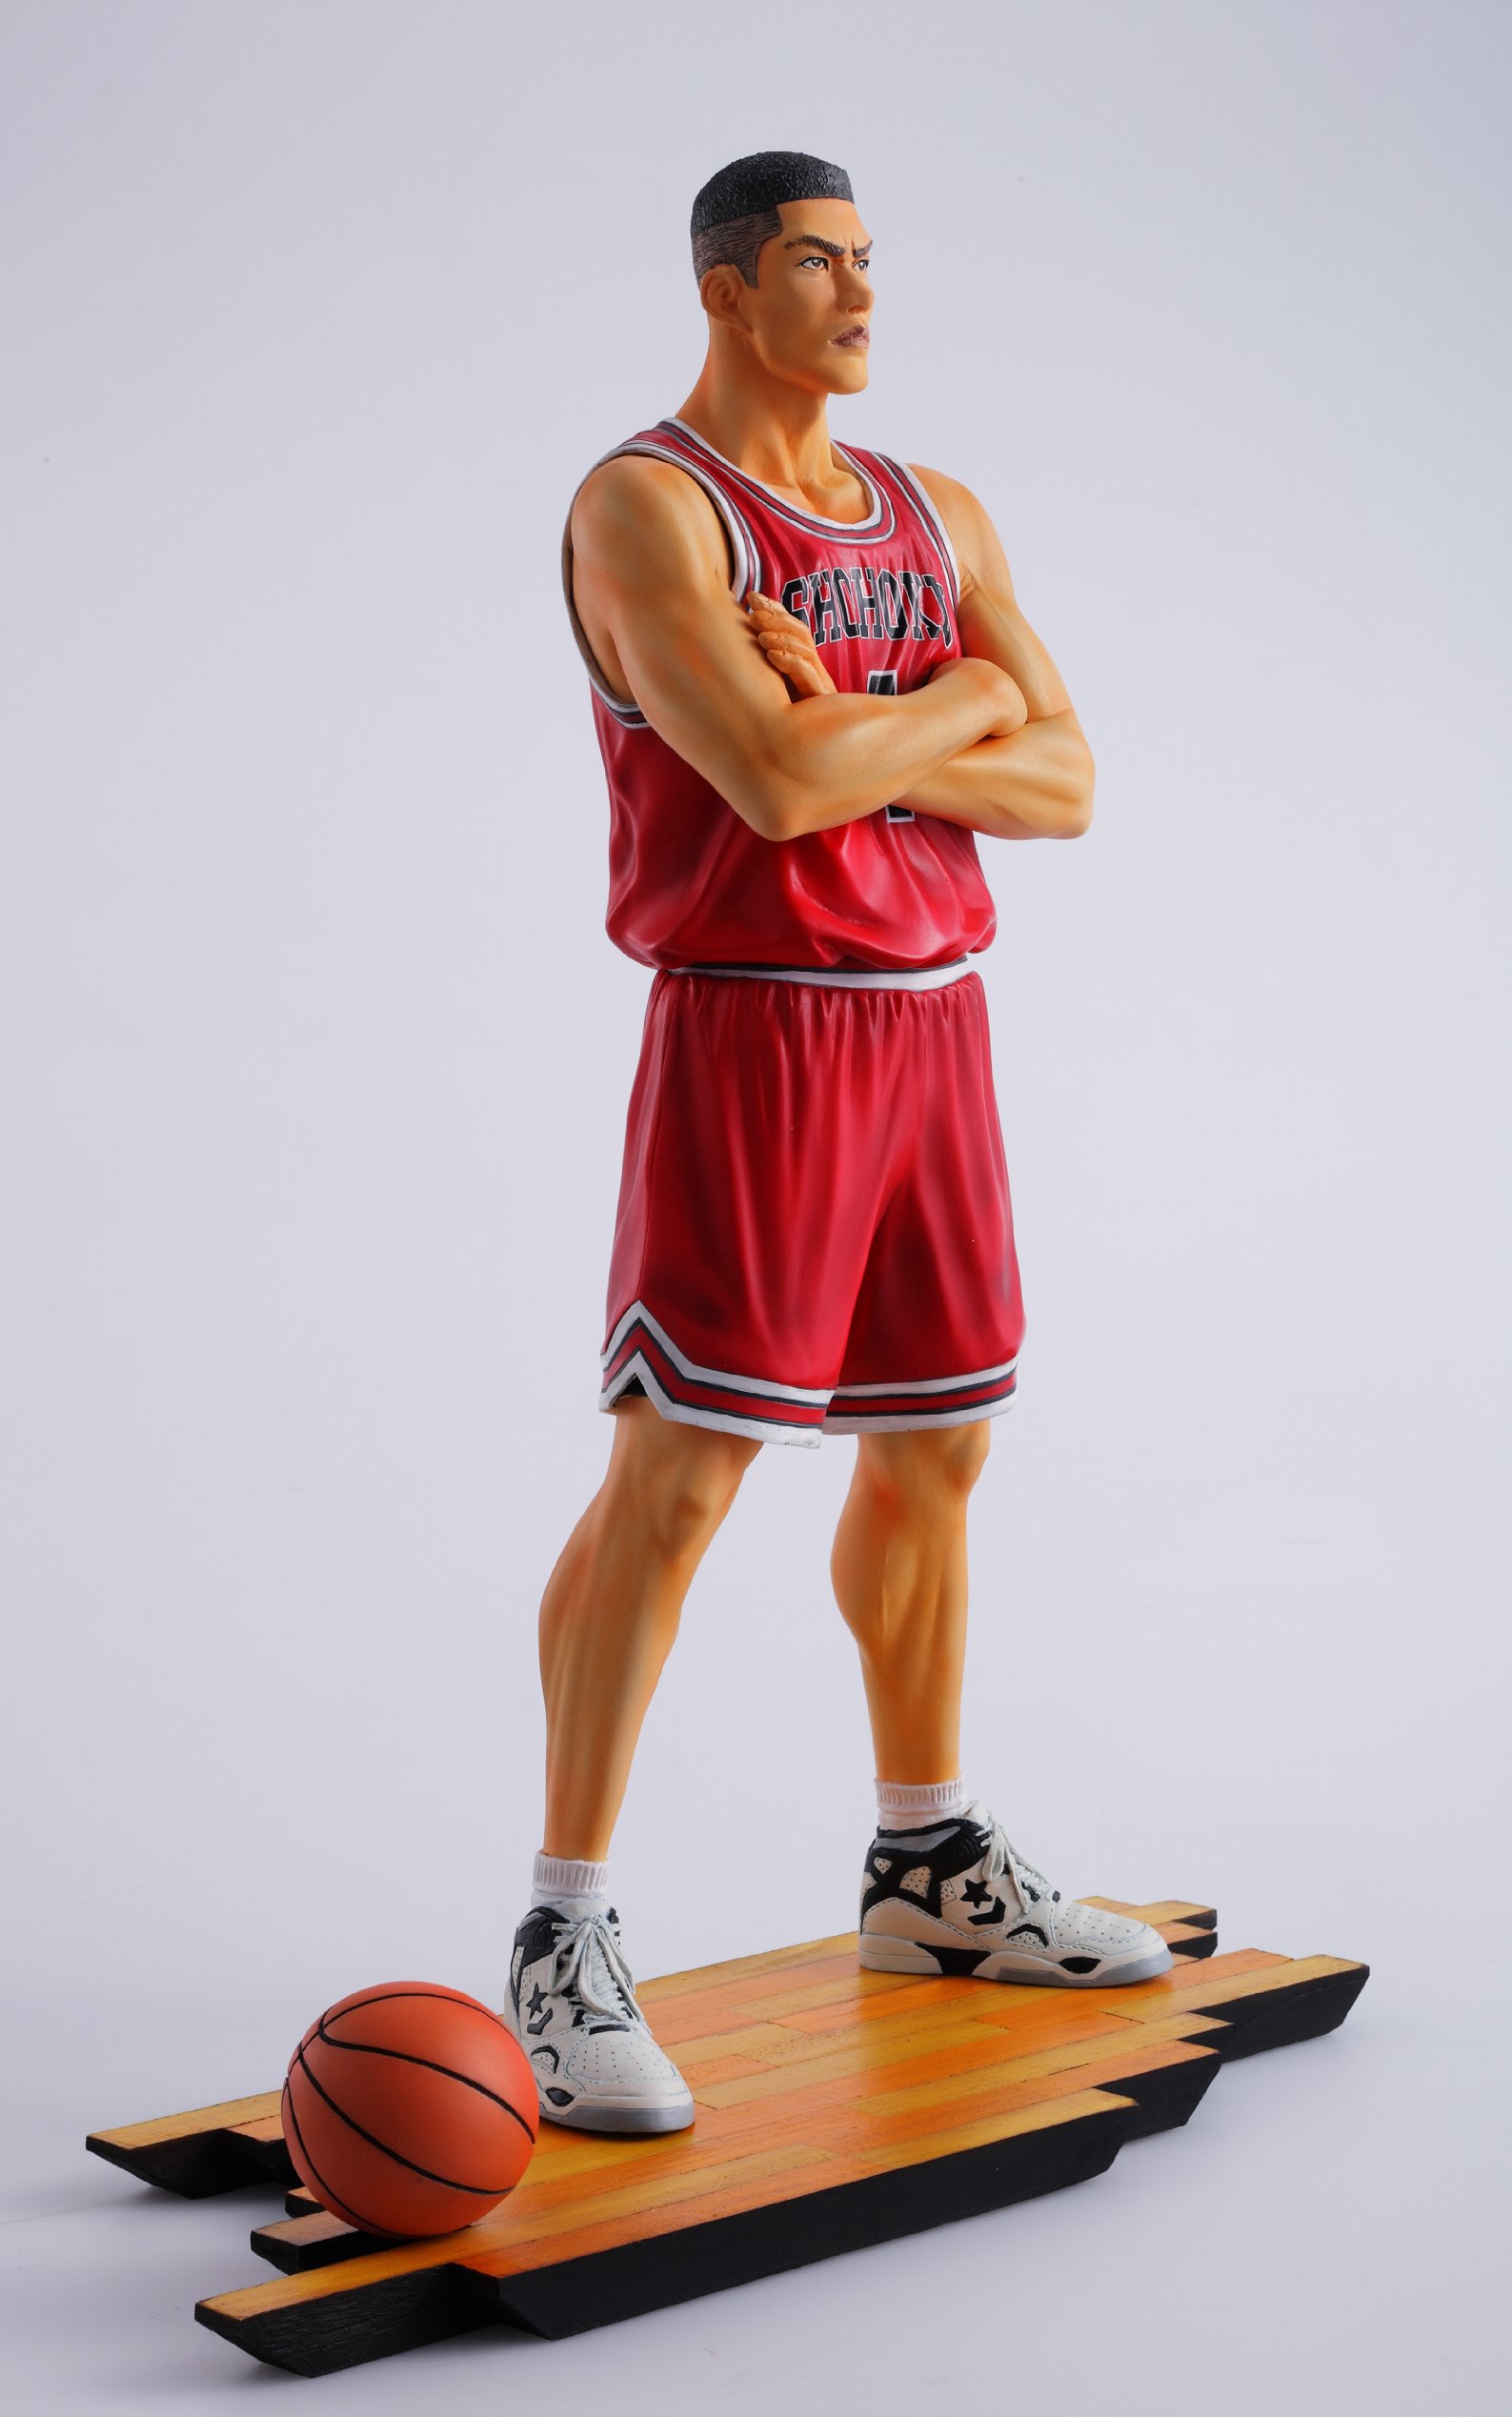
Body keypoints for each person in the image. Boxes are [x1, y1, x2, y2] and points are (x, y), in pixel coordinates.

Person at [501, 150, 1171, 2137]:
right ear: (726, 287)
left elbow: (1065, 781)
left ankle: (925, 1863)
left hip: (933, 1021)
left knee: (938, 1446)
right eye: (818, 263)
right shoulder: (648, 504)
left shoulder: (933, 507)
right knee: (682, 1470)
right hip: (756, 1024)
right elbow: (778, 789)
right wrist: (951, 701)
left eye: (870, 259)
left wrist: (888, 705)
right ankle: (560, 1927)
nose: (861, 294)